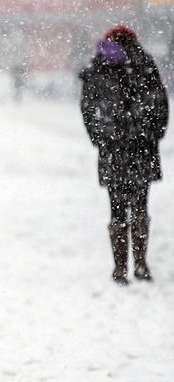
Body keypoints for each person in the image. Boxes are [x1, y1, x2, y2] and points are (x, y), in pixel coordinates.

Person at [79, 26, 168, 284]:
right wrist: (152, 134)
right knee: (140, 205)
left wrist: (99, 137)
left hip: (113, 149)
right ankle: (140, 262)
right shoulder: (145, 64)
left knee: (116, 209)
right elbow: (160, 104)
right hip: (142, 148)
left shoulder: (99, 66)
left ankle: (120, 268)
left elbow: (88, 107)